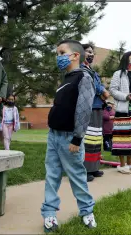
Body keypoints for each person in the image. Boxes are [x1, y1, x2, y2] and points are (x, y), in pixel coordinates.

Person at [41, 39, 96, 232]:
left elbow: (84, 109)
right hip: (53, 136)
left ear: (75, 55)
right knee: (52, 175)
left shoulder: (84, 78)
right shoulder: (66, 78)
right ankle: (49, 214)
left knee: (77, 177)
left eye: (61, 52)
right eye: (57, 53)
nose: (58, 57)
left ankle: (87, 212)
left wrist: (77, 138)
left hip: (70, 138)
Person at [81, 43, 110, 182]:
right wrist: (103, 91)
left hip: (98, 107)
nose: (91, 54)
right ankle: (85, 170)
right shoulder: (81, 70)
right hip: (89, 107)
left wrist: (103, 92)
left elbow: (99, 84)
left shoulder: (93, 71)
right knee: (88, 138)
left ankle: (94, 167)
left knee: (97, 138)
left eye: (92, 52)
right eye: (88, 51)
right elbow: (94, 85)